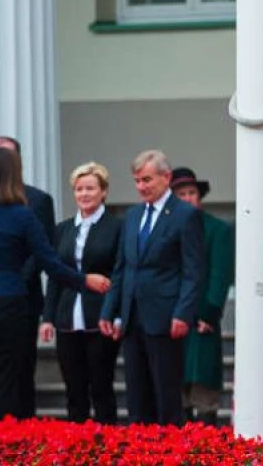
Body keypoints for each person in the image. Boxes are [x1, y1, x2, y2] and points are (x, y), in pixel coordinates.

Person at [0, 149, 109, 422]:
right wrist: (84, 280)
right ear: (14, 176)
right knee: (4, 385)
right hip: (9, 305)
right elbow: (50, 263)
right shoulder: (22, 216)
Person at [100, 150, 205, 426]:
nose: (141, 187)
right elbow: (122, 267)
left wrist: (183, 313)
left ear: (166, 177)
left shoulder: (184, 215)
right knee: (136, 393)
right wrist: (109, 311)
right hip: (133, 315)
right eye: (137, 181)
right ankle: (140, 449)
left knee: (166, 393)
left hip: (166, 315)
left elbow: (193, 271)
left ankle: (169, 450)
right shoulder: (133, 216)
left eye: (147, 179)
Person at [39, 162, 123, 423]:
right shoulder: (62, 229)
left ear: (104, 192)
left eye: (90, 188)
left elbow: (120, 273)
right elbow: (55, 276)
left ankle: (108, 448)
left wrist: (117, 315)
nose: (84, 194)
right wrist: (48, 317)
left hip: (101, 318)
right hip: (67, 318)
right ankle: (77, 446)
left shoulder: (116, 227)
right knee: (74, 390)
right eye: (79, 189)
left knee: (101, 387)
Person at [0, 136, 56, 419]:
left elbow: (43, 251)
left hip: (21, 299)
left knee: (20, 371)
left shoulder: (37, 200)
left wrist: (12, 280)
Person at [171, 167, 234, 426]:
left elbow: (221, 274)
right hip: (172, 316)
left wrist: (210, 311)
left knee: (203, 382)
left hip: (203, 317)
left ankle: (207, 446)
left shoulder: (217, 229)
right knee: (176, 384)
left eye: (191, 193)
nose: (187, 198)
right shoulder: (167, 228)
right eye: (181, 194)